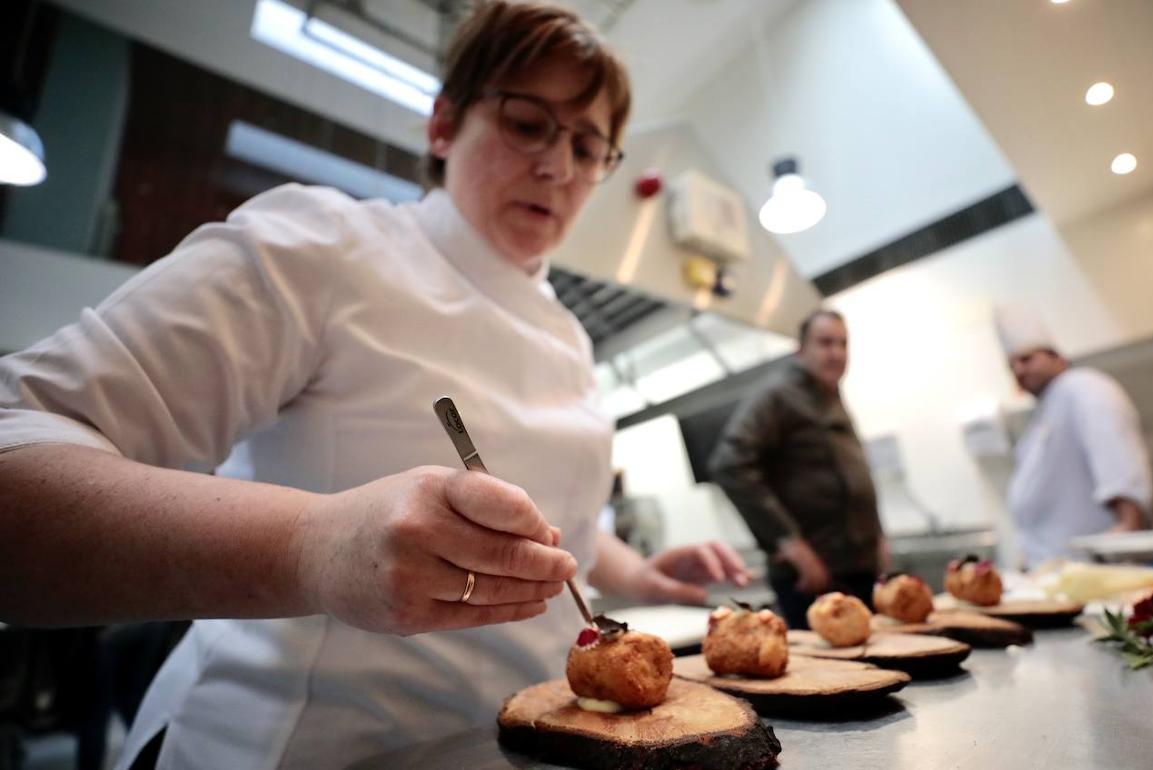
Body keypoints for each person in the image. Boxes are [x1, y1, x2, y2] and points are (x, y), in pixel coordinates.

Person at [0, 3, 749, 767]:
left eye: (589, 146)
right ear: (443, 125)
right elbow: (15, 452)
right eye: (528, 123)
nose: (559, 167)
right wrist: (312, 548)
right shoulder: (324, 248)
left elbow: (555, 522)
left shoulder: (570, 333)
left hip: (527, 746)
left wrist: (633, 569)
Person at [709, 309, 886, 629]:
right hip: (814, 578)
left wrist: (877, 539)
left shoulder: (831, 395)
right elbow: (729, 464)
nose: (836, 353)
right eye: (825, 343)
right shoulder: (777, 395)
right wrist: (789, 542)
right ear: (800, 349)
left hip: (858, 569)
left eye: (843, 344)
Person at [995, 306, 1153, 567]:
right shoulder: (1043, 412)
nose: (1019, 371)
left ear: (1057, 357)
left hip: (1091, 569)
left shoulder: (1084, 386)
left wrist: (1128, 524)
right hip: (1051, 571)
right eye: (1012, 366)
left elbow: (1116, 452)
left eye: (1026, 359)